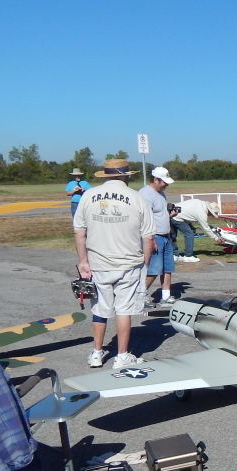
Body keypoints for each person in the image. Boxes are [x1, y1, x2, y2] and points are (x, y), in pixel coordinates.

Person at [72, 157, 155, 369]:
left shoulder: (88, 196)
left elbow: (79, 231)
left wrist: (83, 260)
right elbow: (148, 238)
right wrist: (144, 264)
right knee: (123, 309)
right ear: (126, 175)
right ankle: (121, 355)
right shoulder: (136, 198)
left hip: (98, 262)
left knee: (99, 309)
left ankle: (97, 353)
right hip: (128, 263)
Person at [138, 166, 176, 305]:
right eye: (164, 182)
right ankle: (140, 295)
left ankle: (165, 297)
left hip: (166, 236)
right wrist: (151, 239)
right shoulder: (145, 194)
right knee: (154, 269)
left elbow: (159, 213)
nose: (166, 185)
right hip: (154, 237)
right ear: (155, 179)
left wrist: (170, 215)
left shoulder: (160, 193)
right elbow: (142, 218)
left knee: (167, 268)